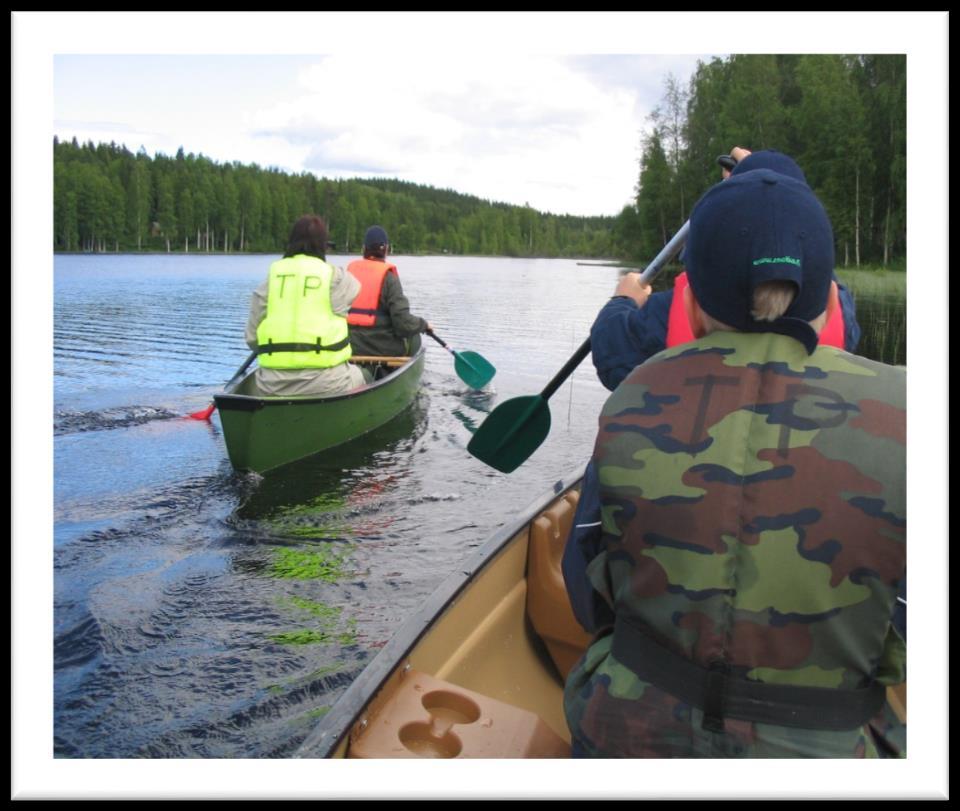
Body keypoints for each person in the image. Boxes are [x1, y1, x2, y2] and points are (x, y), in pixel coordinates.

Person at [561, 161, 906, 758]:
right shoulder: (910, 414)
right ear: (828, 303)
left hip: (626, 737)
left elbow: (587, 593)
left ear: (692, 305)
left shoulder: (630, 401)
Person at [590, 148, 862, 391]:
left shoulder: (663, 319)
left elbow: (612, 350)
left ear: (692, 305)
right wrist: (773, 183)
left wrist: (623, 299)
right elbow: (819, 268)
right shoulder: (843, 321)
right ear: (829, 301)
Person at [245, 214, 367, 396]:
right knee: (363, 375)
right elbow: (356, 287)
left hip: (272, 386)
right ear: (323, 246)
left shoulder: (270, 282)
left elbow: (252, 339)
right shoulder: (337, 278)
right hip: (328, 384)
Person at [346, 225, 431, 357]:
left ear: (364, 249)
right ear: (386, 249)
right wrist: (423, 325)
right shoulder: (389, 279)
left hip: (351, 348)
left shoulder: (348, 275)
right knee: (410, 338)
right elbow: (403, 324)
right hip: (384, 350)